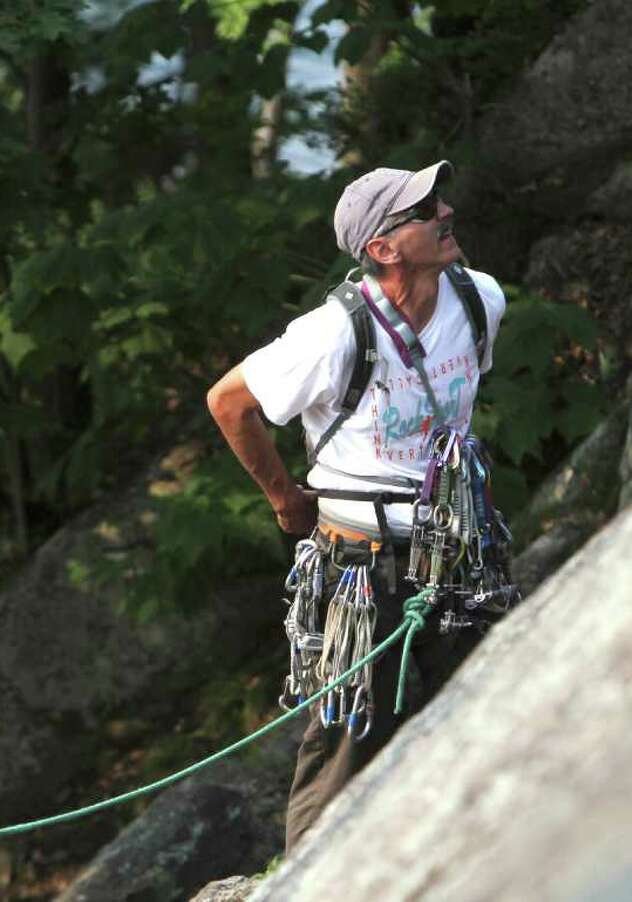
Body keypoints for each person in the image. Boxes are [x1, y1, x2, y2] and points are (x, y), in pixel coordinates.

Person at [206, 160, 508, 851]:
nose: (445, 212)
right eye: (424, 210)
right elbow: (229, 402)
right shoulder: (335, 333)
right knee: (347, 731)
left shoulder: (479, 298)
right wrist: (287, 502)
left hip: (460, 549)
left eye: (438, 201)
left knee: (478, 710)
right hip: (362, 566)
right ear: (382, 248)